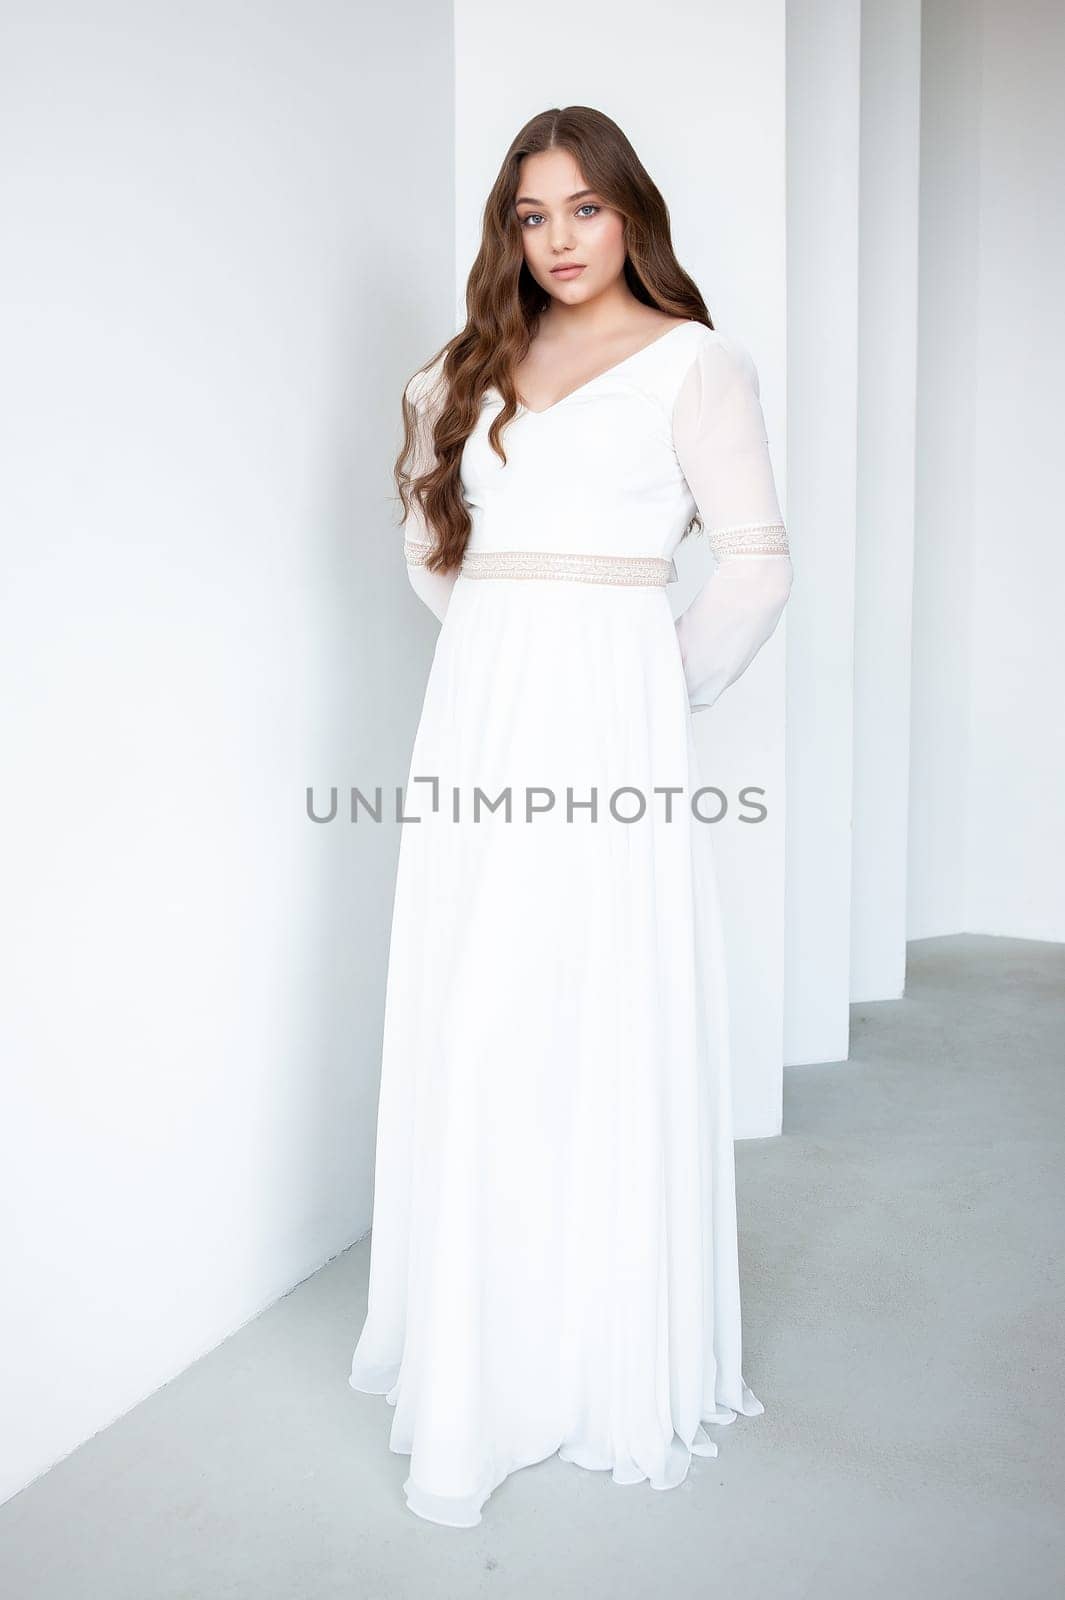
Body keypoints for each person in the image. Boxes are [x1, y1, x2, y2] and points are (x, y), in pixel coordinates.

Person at [348, 104, 793, 1529]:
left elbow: (755, 566)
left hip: (614, 726)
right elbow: (432, 549)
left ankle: (586, 1356)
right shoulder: (460, 369)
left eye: (584, 210)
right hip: (479, 724)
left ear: (630, 215)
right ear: (507, 229)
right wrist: (498, 636)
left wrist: (647, 691)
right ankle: (481, 1355)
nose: (557, 240)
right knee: (476, 1013)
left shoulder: (693, 363)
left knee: (579, 1008)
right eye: (531, 216)